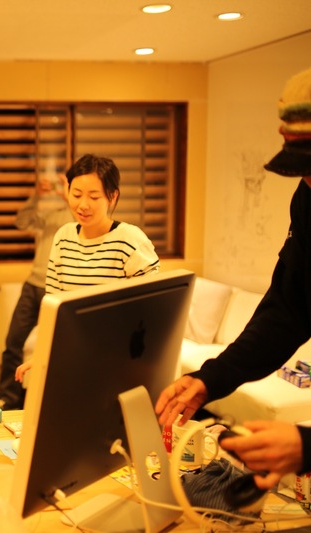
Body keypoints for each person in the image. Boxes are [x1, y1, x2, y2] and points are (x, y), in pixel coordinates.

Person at [156, 67, 311, 491]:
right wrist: (210, 378)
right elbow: (288, 310)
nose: (308, 179)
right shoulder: (308, 198)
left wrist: (308, 446)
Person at [13, 153, 161, 381]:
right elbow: (54, 307)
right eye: (76, 194)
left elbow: (155, 306)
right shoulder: (63, 237)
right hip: (74, 356)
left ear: (112, 196)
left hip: (119, 359)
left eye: (94, 196)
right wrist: (43, 355)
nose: (83, 205)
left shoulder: (130, 239)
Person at [0, 173, 73, 410]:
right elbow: (22, 222)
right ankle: (8, 397)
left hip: (59, 289)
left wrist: (69, 198)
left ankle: (51, 400)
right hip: (33, 284)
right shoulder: (53, 215)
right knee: (13, 342)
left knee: (57, 347)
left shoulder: (81, 218)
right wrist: (37, 195)